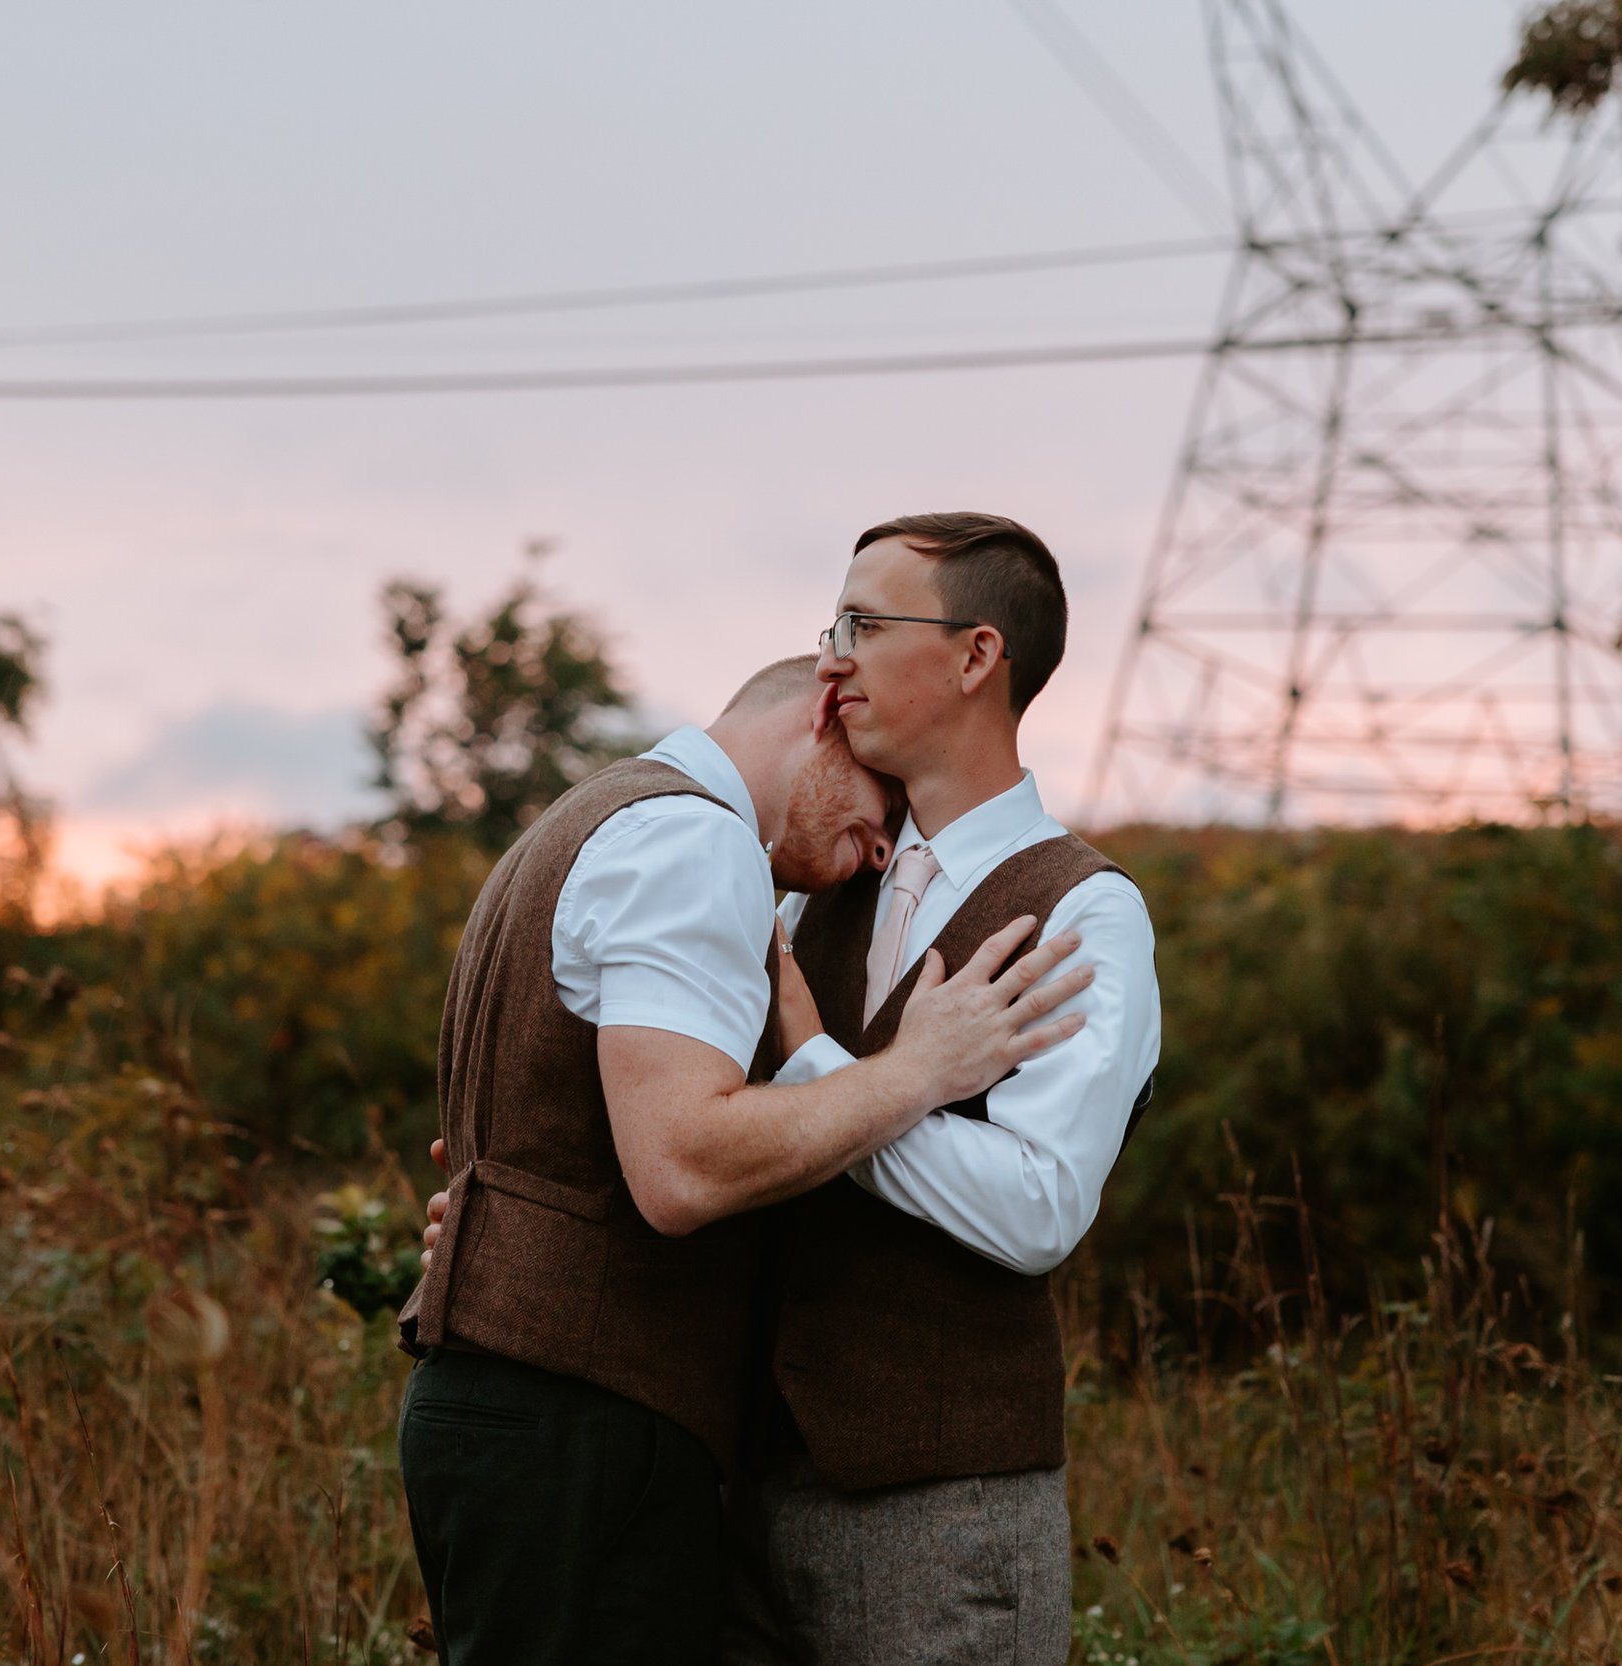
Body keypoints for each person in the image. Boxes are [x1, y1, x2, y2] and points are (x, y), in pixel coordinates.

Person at [395, 654, 1097, 1666]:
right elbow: (680, 1165)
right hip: (584, 1426)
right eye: (884, 800)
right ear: (824, 712)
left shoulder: (586, 819)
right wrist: (917, 1069)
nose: (881, 851)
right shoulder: (694, 841)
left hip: (517, 1410)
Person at [726, 511, 1163, 1666]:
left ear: (976, 657)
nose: (832, 657)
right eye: (834, 626)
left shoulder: (1081, 908)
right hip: (741, 1485)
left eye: (865, 625)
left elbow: (1036, 1209)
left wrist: (826, 1071)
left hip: (943, 1507)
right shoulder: (814, 888)